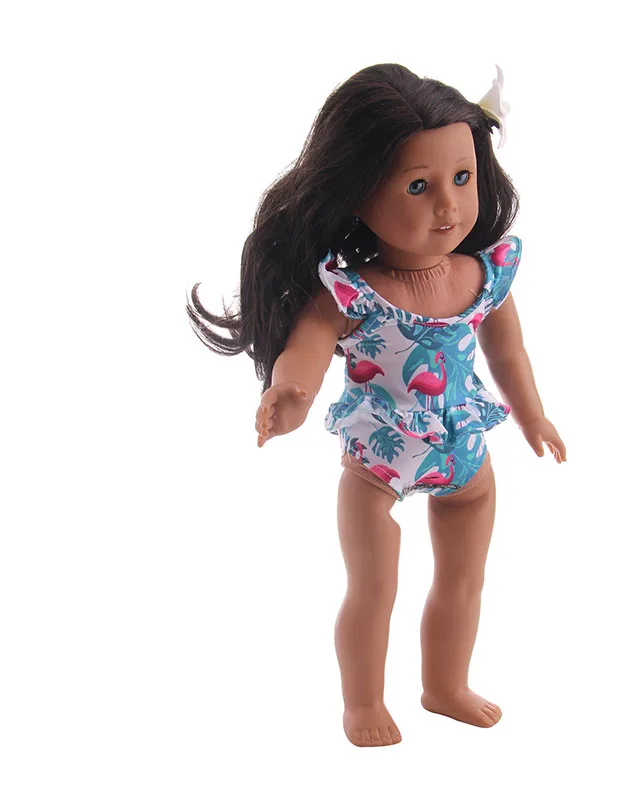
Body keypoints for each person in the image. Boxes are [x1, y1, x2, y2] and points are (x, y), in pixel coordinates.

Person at [187, 63, 566, 747]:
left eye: (462, 178)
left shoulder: (483, 274)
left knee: (464, 580)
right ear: (358, 193)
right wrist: (291, 393)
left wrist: (532, 414)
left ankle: (445, 685)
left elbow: (509, 353)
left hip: (465, 454)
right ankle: (361, 701)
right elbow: (307, 347)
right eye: (418, 187)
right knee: (373, 588)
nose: (448, 206)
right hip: (376, 463)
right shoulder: (351, 291)